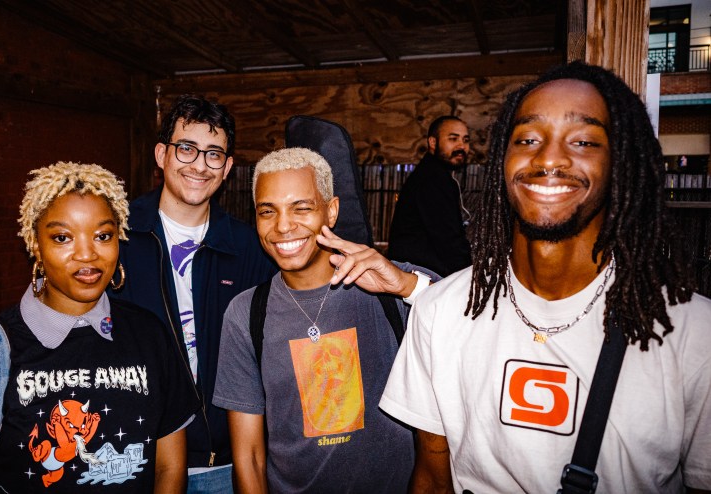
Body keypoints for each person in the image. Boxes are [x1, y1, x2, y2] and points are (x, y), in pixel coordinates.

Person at [380, 62, 711, 493]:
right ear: (503, 159)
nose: (550, 156)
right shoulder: (440, 312)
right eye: (529, 139)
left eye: (584, 140)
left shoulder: (695, 333)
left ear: (621, 164)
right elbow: (431, 476)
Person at [0, 162, 198, 493]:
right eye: (62, 237)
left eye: (103, 235)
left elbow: (168, 467)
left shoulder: (149, 334)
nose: (87, 254)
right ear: (36, 245)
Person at [212, 147, 438, 493]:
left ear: (331, 211)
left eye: (301, 208)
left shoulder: (391, 287)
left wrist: (404, 285)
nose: (283, 226)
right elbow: (250, 458)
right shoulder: (246, 314)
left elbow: (477, 321)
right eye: (267, 211)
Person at [111, 95, 276, 493]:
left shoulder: (251, 247)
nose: (199, 165)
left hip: (226, 464)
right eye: (187, 149)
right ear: (161, 154)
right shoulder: (116, 237)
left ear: (228, 167)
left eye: (214, 154)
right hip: (134, 461)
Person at [388, 115, 472, 277]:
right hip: (419, 275)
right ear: (433, 143)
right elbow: (448, 240)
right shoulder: (433, 179)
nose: (462, 145)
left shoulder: (434, 174)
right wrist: (470, 276)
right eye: (453, 139)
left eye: (466, 140)